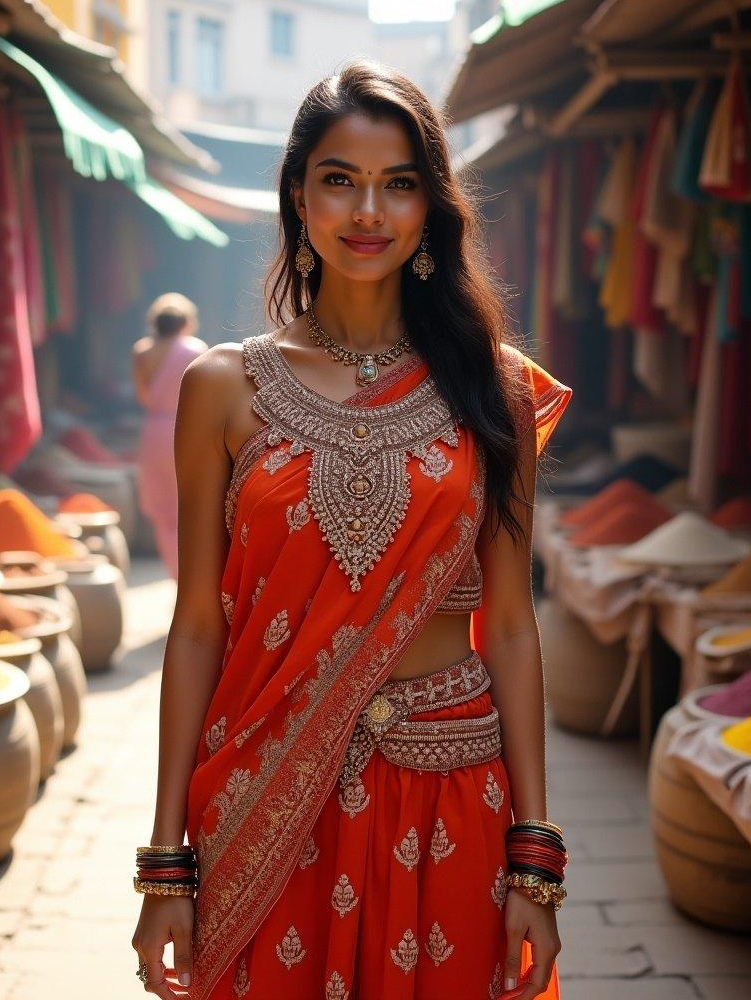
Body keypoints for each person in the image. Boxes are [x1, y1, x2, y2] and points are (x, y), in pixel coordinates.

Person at [131, 60, 573, 1000]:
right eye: (340, 179)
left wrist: (535, 858)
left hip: (450, 789)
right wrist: (166, 859)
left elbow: (509, 625)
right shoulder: (222, 386)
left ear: (430, 206)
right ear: (297, 194)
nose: (368, 210)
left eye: (399, 182)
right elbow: (199, 625)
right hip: (267, 797)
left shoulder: (493, 388)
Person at [132, 293, 208, 580]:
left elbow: (142, 395)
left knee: (164, 510)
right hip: (188, 428)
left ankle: (178, 578)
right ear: (186, 322)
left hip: (153, 431)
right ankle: (194, 579)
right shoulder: (195, 350)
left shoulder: (142, 351)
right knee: (191, 503)